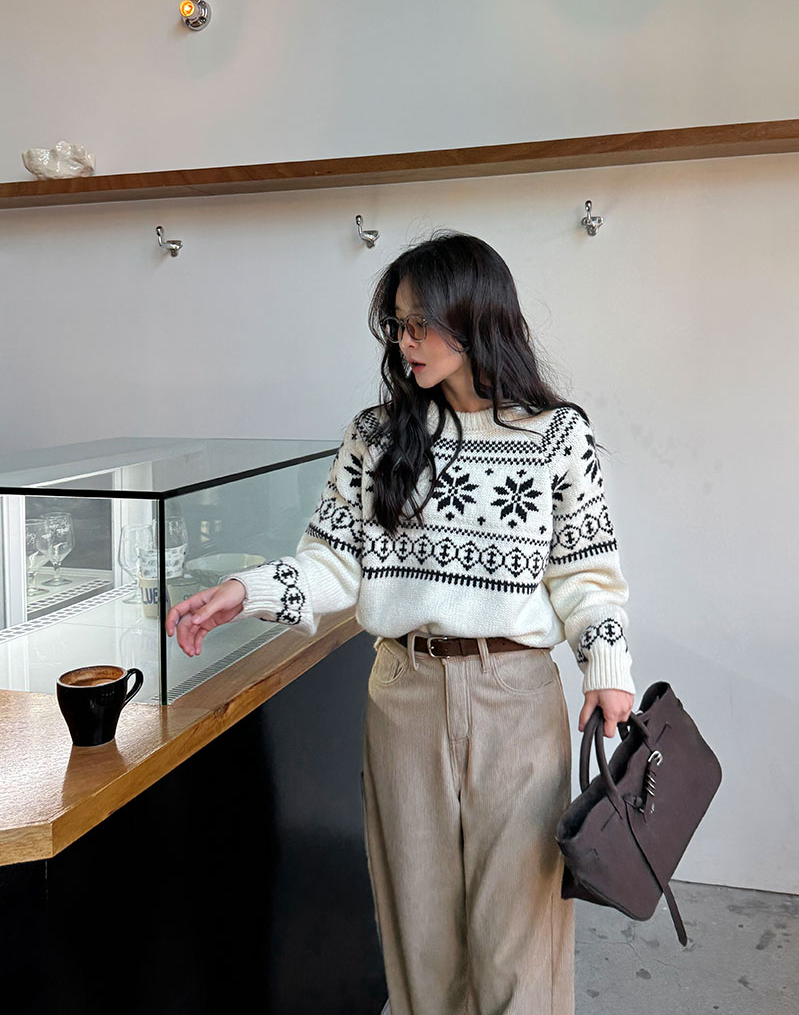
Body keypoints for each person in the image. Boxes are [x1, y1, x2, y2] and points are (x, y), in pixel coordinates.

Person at [165, 231, 635, 1015]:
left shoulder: (557, 436)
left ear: (474, 320)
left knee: (518, 932)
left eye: (420, 324)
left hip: (516, 695)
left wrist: (606, 669)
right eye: (396, 324)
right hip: (403, 692)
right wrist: (245, 591)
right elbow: (333, 562)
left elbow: (586, 574)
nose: (404, 341)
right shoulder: (377, 436)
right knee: (419, 928)